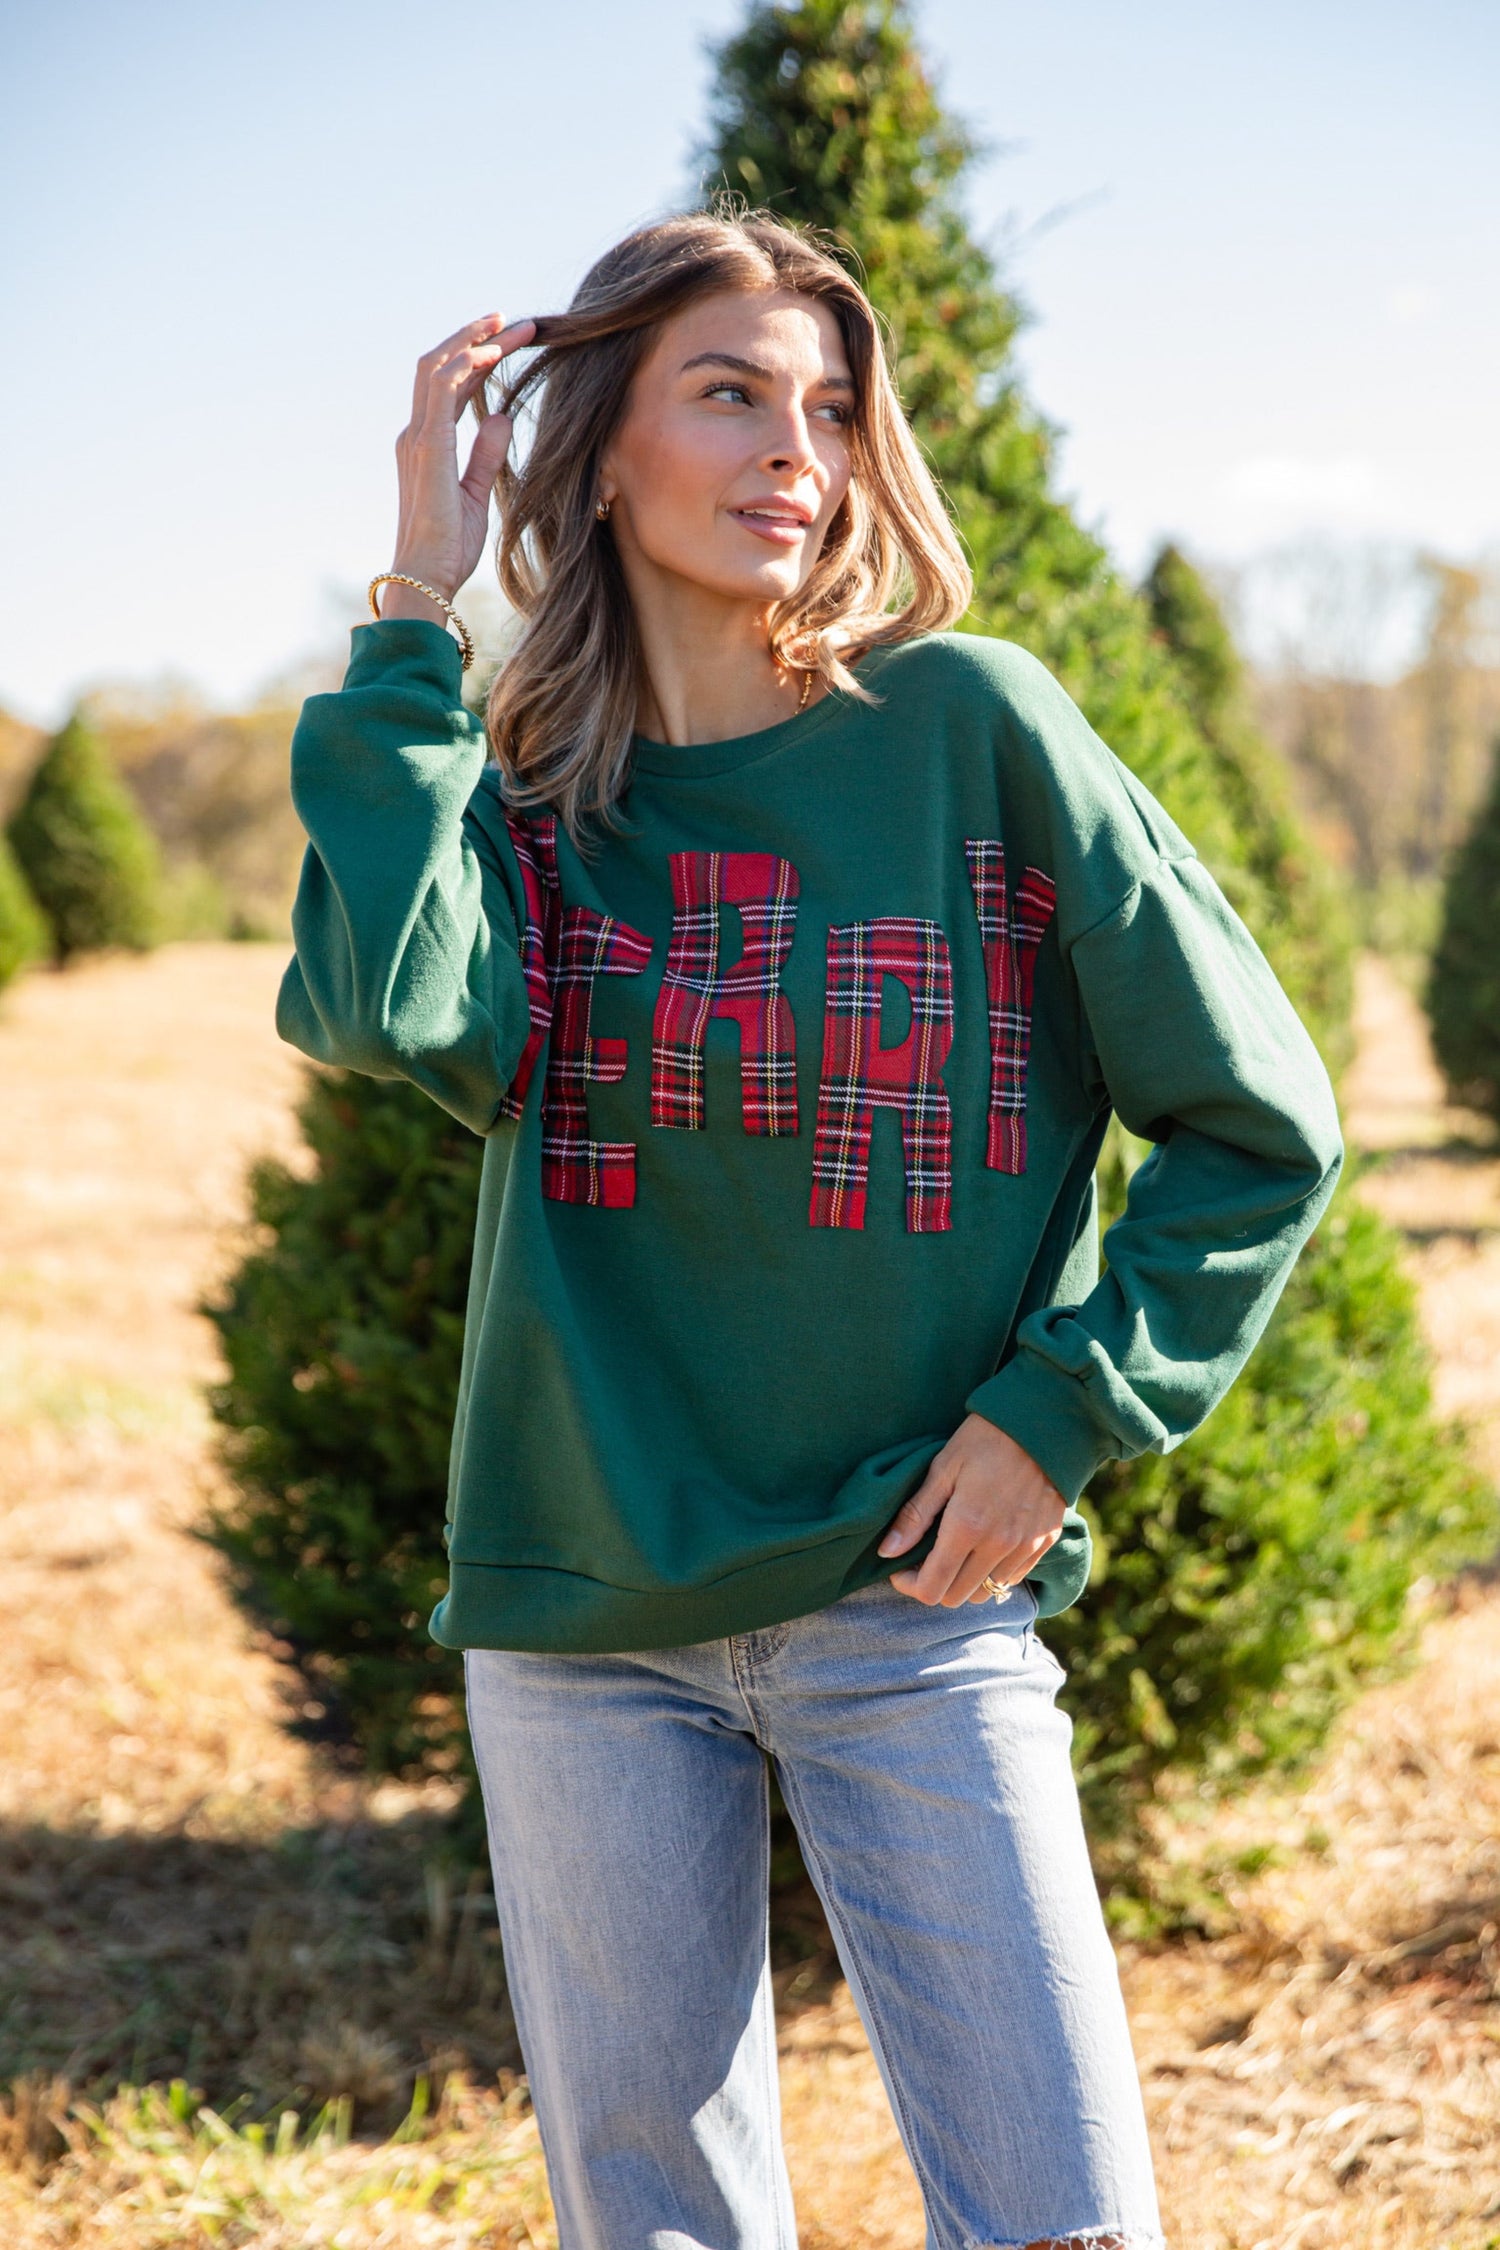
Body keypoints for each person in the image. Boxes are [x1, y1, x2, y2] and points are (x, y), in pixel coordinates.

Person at [277, 209, 1342, 2250]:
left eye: (831, 409)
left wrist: (1065, 1411)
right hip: (581, 1608)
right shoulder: (526, 806)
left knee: (1061, 2220)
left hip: (914, 1604)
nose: (796, 451)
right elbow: (386, 1004)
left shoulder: (975, 733)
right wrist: (420, 579)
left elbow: (1254, 1119)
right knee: (660, 2226)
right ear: (599, 450)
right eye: (731, 395)